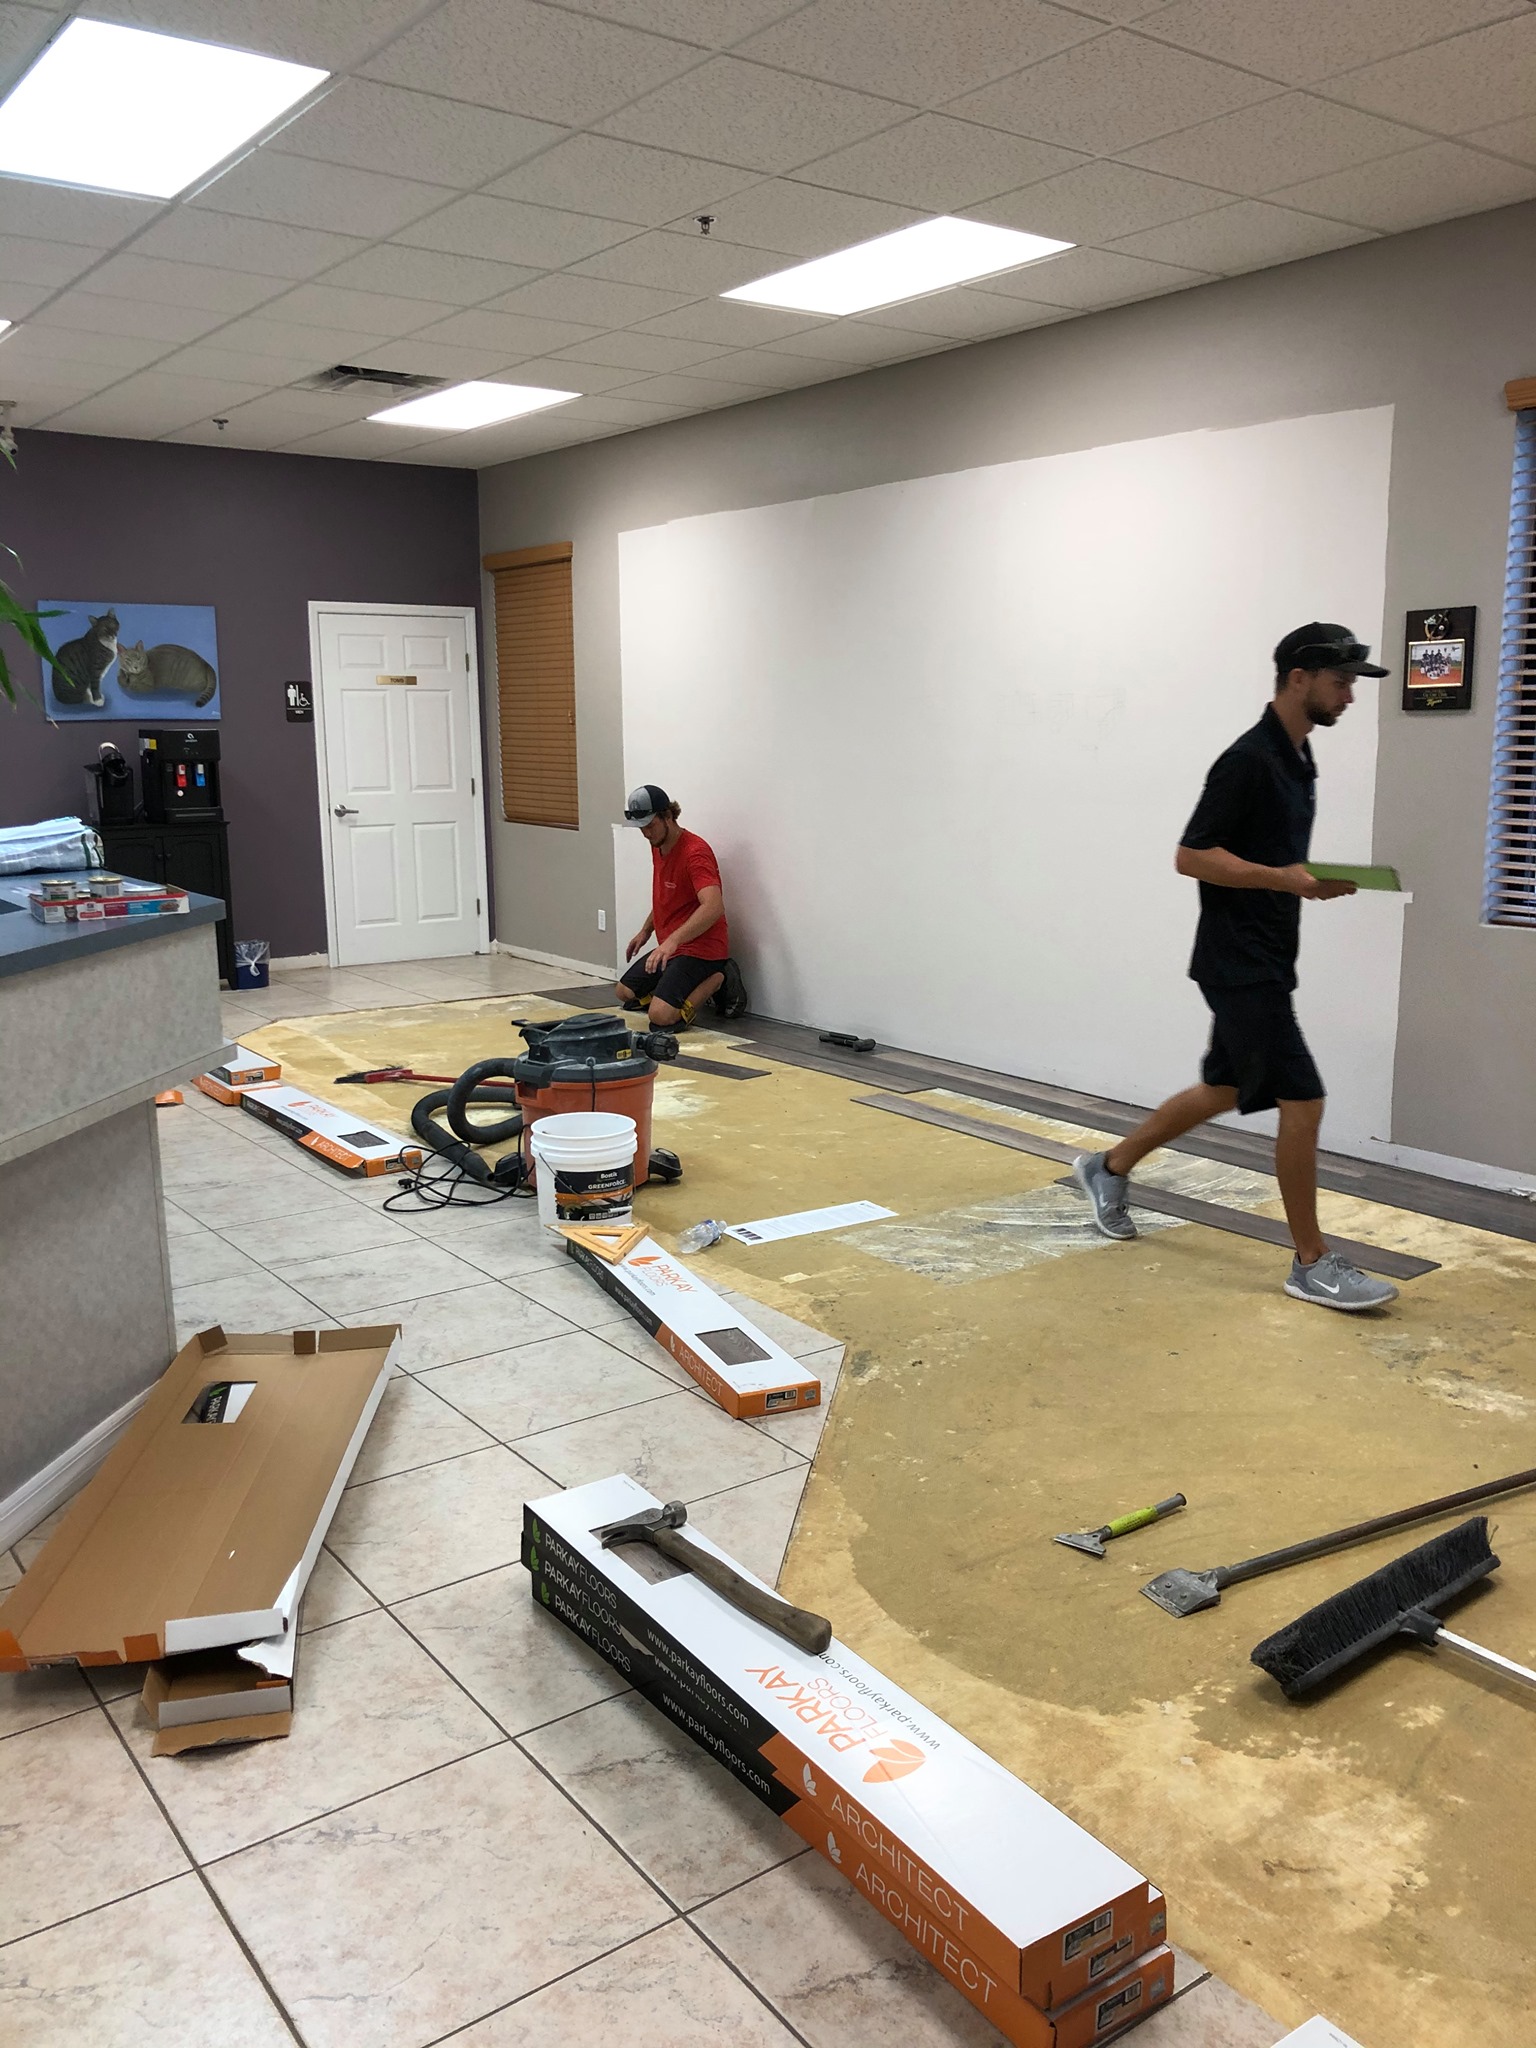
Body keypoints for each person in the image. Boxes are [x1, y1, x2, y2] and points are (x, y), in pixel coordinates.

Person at [1074, 623, 1400, 1313]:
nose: (1349, 696)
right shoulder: (1249, 760)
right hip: (1237, 961)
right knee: (1303, 1099)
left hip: (1268, 954)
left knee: (1222, 1088)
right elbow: (1191, 855)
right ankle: (1311, 1262)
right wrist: (1284, 879)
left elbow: (1271, 860)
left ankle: (1107, 1167)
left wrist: (1307, 881)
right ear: (1298, 678)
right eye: (1341, 682)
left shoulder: (1298, 757)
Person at [617, 784, 740, 1028]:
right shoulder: (658, 844)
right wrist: (646, 931)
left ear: (668, 816)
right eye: (641, 828)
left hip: (701, 950)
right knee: (625, 992)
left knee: (660, 1017)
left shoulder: (695, 853)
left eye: (650, 825)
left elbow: (713, 907)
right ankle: (670, 991)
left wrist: (672, 941)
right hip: (672, 948)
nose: (646, 834)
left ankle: (719, 978)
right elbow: (668, 898)